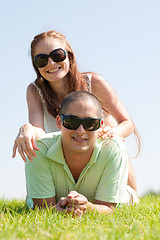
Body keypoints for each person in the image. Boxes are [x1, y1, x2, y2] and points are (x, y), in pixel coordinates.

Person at [13, 30, 140, 190]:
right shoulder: (35, 91)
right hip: (66, 170)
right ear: (35, 65)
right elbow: (39, 134)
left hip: (102, 162)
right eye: (41, 60)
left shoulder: (93, 83)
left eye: (58, 55)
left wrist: (112, 134)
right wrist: (27, 129)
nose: (51, 63)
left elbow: (127, 123)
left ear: (70, 56)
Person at [25, 91, 139, 216]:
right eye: (72, 122)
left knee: (125, 199)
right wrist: (56, 210)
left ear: (100, 125)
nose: (80, 131)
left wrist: (87, 207)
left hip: (121, 195)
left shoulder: (113, 148)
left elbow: (109, 208)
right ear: (59, 122)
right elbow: (42, 208)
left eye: (90, 123)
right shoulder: (39, 149)